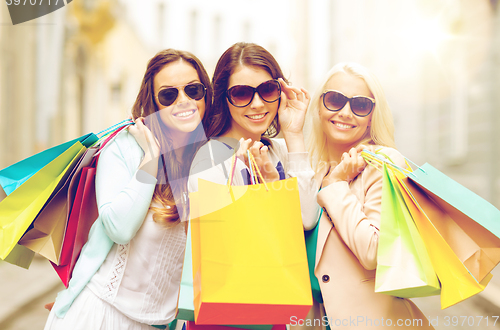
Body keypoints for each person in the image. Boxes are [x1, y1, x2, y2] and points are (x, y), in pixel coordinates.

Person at [44, 48, 212, 330]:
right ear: (153, 101)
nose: (184, 101)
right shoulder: (125, 148)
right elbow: (119, 229)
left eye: (193, 90)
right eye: (169, 95)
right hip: (100, 315)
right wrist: (151, 159)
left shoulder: (208, 159)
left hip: (159, 324)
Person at [305, 62, 433, 329]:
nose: (345, 112)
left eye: (361, 105)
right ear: (319, 105)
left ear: (373, 115)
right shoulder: (315, 172)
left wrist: (337, 185)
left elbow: (374, 252)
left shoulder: (384, 163)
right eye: (335, 100)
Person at [188, 42, 318, 230]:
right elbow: (224, 241)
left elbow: (307, 219)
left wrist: (294, 133)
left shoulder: (282, 150)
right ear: (224, 98)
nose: (257, 103)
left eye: (267, 89)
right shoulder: (209, 161)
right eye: (241, 93)